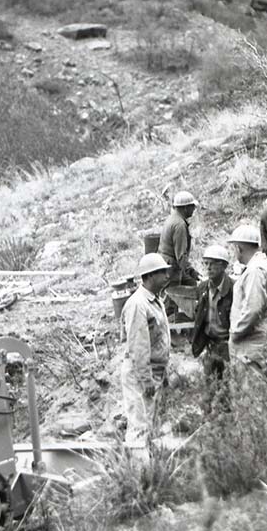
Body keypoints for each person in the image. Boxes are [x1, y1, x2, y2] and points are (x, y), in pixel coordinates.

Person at [120, 252, 172, 450]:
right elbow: (138, 346)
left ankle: (151, 470)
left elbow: (159, 339)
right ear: (149, 276)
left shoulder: (154, 300)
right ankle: (137, 475)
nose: (166, 276)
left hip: (155, 371)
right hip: (140, 374)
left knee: (152, 425)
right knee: (139, 426)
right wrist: (145, 379)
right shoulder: (138, 304)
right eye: (161, 273)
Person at [227, 224, 267, 380]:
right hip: (261, 333)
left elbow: (253, 309)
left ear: (239, 248)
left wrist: (236, 332)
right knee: (257, 387)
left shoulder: (255, 271)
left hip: (251, 338)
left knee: (249, 389)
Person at [190, 245, 234, 411]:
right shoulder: (202, 288)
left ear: (224, 266)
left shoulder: (234, 289)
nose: (208, 268)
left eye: (213, 264)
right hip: (210, 345)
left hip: (228, 346)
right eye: (206, 263)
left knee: (229, 388)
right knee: (209, 388)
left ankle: (228, 421)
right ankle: (209, 423)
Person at [158, 190, 200, 286]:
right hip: (171, 269)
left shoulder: (172, 219)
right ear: (185, 208)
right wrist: (191, 271)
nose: (194, 209)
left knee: (192, 284)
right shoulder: (179, 225)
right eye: (192, 206)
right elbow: (181, 256)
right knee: (173, 297)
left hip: (166, 265)